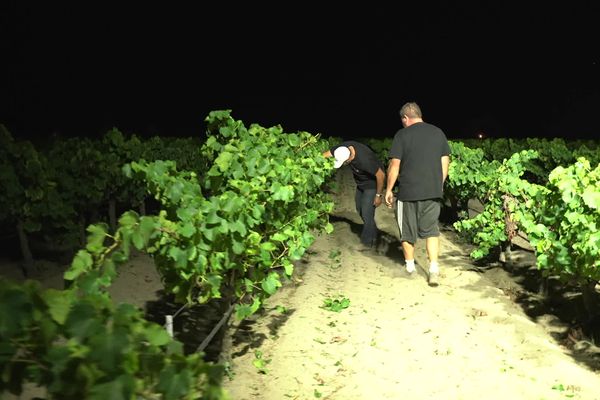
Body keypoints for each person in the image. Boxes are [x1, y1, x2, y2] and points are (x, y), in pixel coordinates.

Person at [384, 102, 450, 286]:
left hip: (408, 192)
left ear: (405, 118)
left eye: (402, 120)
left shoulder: (402, 135)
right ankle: (434, 270)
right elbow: (445, 161)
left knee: (407, 232)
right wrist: (439, 184)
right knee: (431, 231)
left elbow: (394, 165)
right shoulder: (438, 132)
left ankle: (411, 269)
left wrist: (388, 190)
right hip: (433, 191)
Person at [323, 141, 386, 249]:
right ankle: (373, 231)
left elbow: (381, 175)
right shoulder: (342, 148)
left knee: (367, 212)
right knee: (359, 209)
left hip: (372, 185)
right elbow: (325, 155)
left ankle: (367, 243)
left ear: (350, 158)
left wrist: (378, 195)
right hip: (361, 183)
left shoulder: (364, 160)